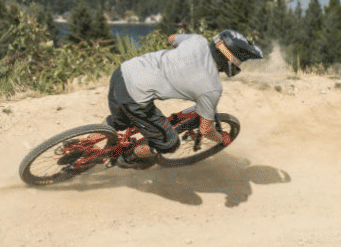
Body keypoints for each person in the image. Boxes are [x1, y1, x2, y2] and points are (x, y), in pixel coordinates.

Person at [106, 29, 263, 169]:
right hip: (134, 96)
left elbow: (172, 38)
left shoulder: (198, 40)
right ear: (230, 60)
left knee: (118, 121)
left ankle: (87, 144)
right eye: (240, 61)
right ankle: (127, 157)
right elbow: (206, 129)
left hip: (123, 71)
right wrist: (221, 138)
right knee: (169, 143)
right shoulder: (212, 88)